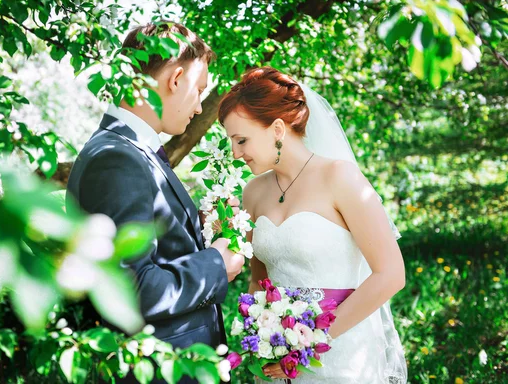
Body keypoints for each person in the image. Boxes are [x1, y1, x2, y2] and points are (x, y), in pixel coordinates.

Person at [67, 21, 245, 382]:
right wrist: (216, 265)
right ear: (176, 79)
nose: (198, 107)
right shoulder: (117, 158)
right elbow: (131, 289)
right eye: (199, 90)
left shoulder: (130, 151)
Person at [218, 67, 408, 383]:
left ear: (277, 129)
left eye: (241, 140)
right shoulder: (253, 192)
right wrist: (260, 336)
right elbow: (258, 281)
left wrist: (310, 341)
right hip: (277, 359)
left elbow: (390, 275)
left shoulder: (340, 178)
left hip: (341, 355)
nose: (236, 154)